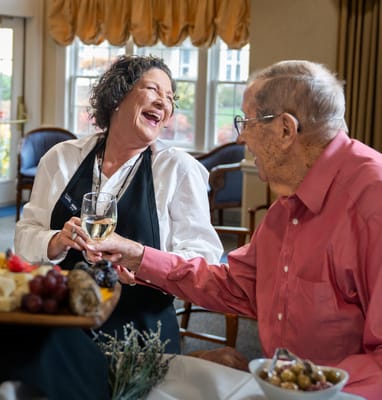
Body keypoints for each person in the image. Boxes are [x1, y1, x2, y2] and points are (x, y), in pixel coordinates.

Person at [85, 60, 382, 399]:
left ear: (285, 129)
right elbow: (237, 288)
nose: (241, 137)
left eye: (247, 121)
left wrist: (311, 389)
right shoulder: (286, 208)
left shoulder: (373, 200)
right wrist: (139, 256)